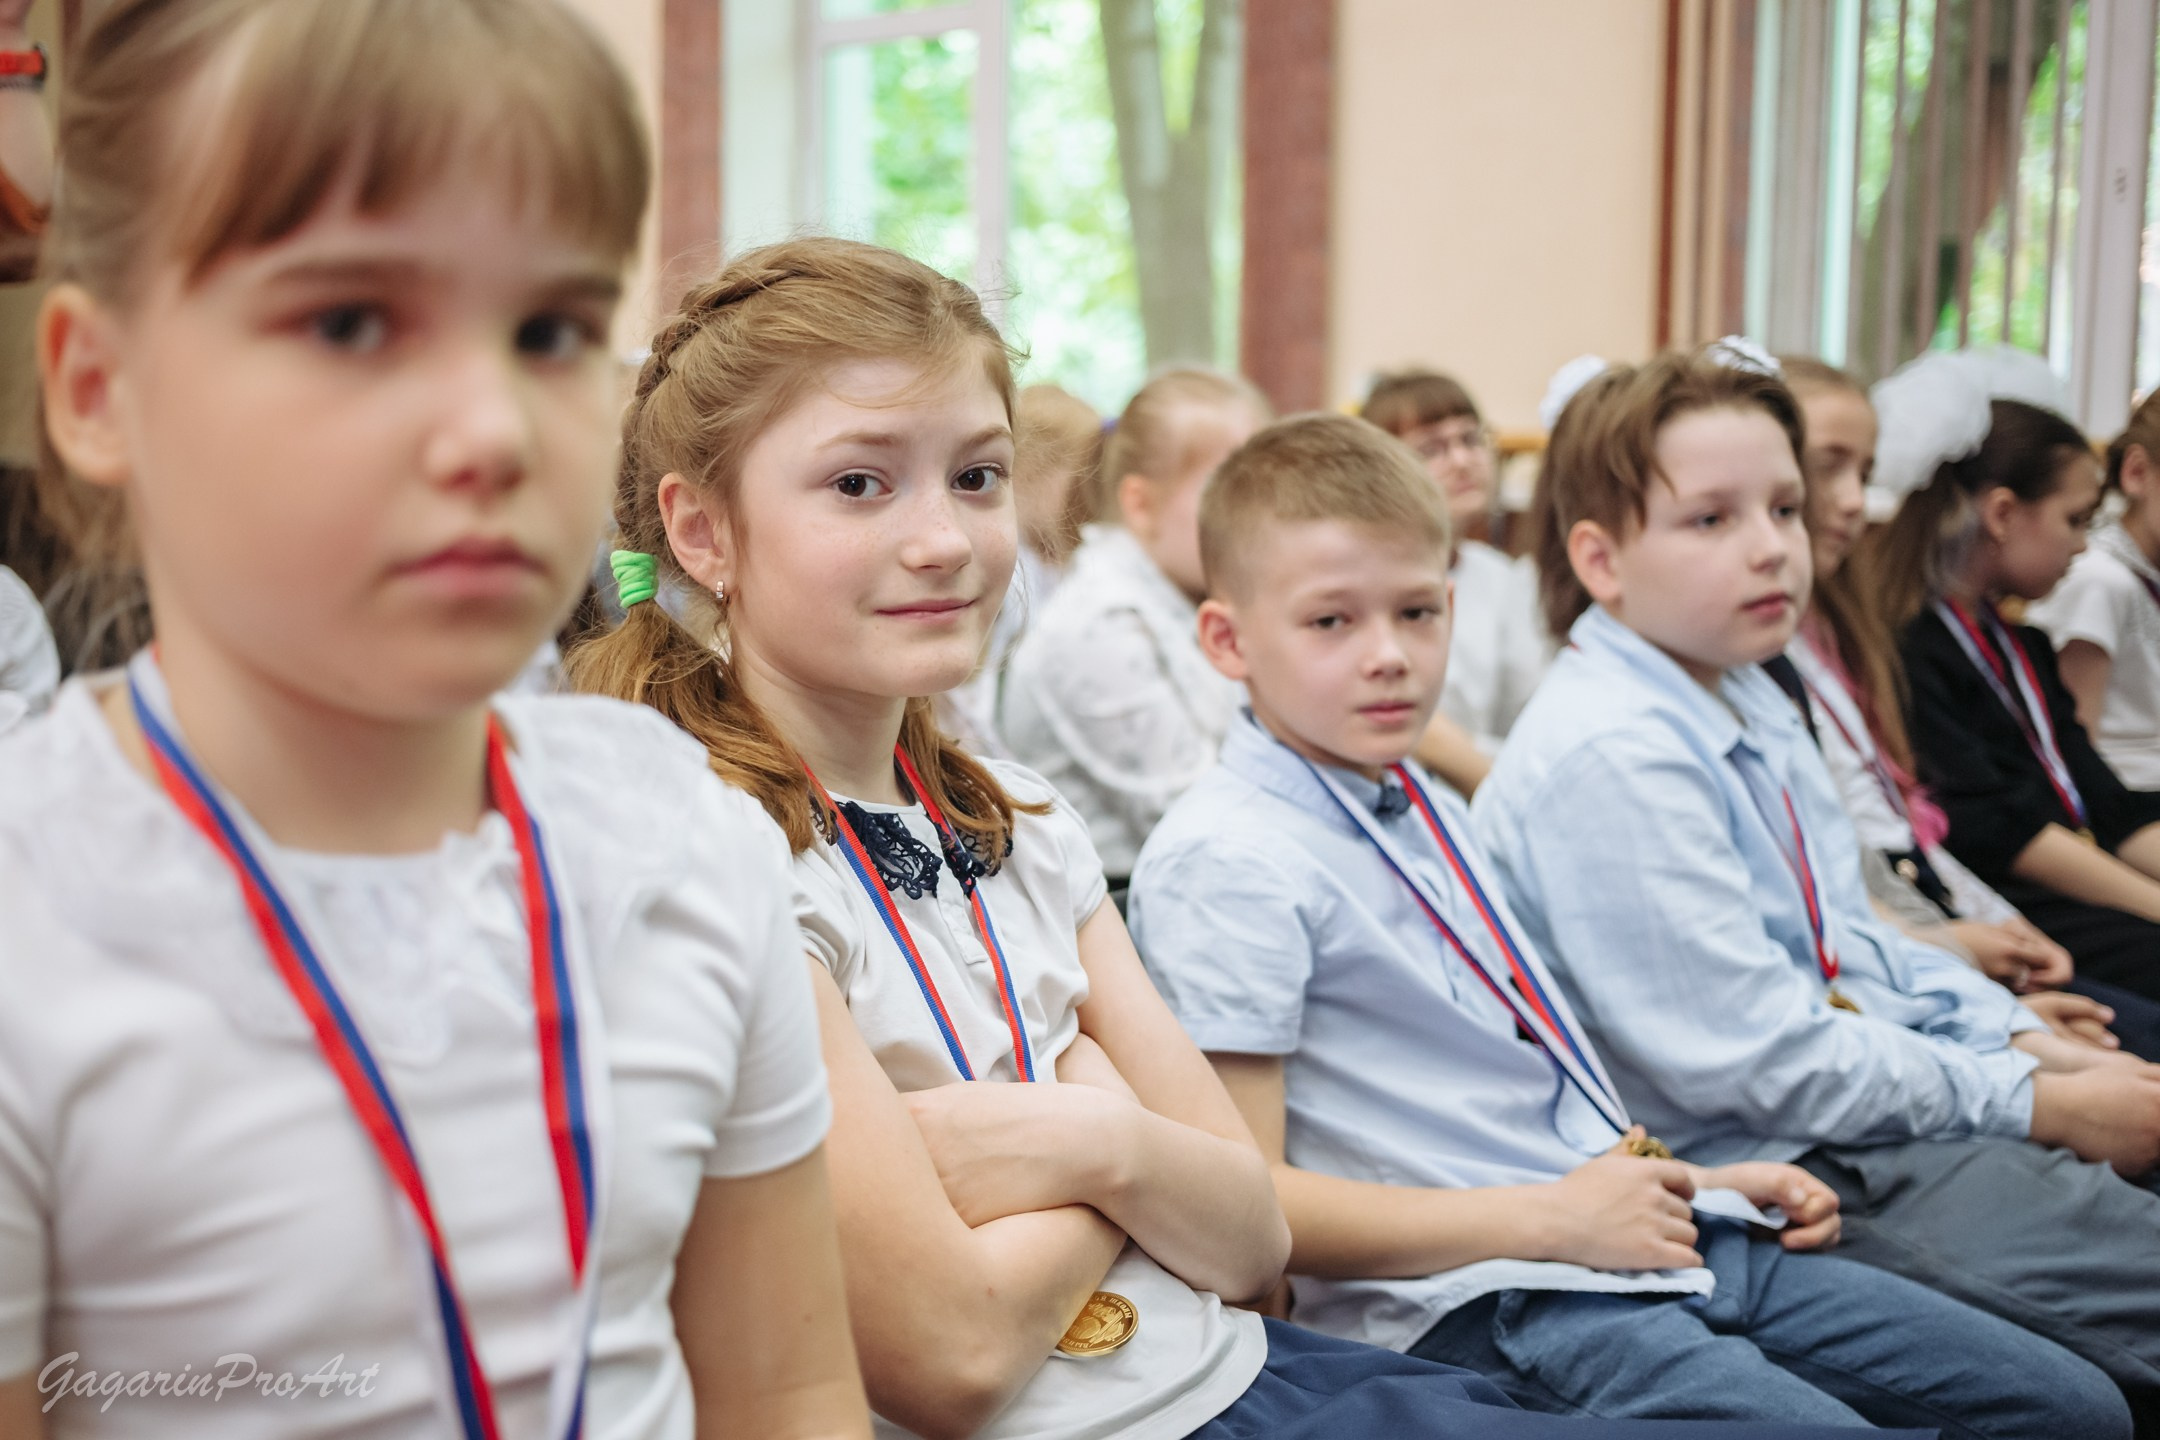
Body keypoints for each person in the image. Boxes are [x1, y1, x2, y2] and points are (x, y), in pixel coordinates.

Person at [573, 237, 1885, 1440]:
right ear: (702, 531)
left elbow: (1254, 1237)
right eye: (860, 483)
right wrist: (1119, 1135)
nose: (944, 538)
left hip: (1245, 1371)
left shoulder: (1016, 819)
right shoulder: (714, 852)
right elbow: (954, 1351)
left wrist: (1088, 1143)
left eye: (977, 476)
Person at [2, 2, 869, 1435]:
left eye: (551, 328)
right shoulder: (43, 914)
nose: (489, 430)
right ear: (100, 391)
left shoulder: (680, 848)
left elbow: (787, 1389)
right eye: (351, 322)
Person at [1125, 411, 2123, 1435]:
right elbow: (1256, 1207)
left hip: (1624, 1225)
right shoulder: (1227, 861)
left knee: (2070, 1407)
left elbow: (1513, 1090)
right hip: (1483, 1291)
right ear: (1226, 639)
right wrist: (1557, 1216)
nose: (1389, 656)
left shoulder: (1419, 796)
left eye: (1418, 613)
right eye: (1332, 622)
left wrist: (1690, 1180)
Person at [1470, 342, 2160, 1430]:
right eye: (1714, 520)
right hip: (1781, 1170)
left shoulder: (1738, 684)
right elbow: (1760, 1062)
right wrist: (2032, 1101)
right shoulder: (1615, 752)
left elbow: (1841, 938)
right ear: (1601, 560)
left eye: (1784, 510)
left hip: (1850, 1114)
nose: (1774, 550)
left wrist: (2018, 1040)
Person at [1778, 358, 2153, 1055]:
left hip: (1945, 913)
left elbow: (2099, 797)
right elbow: (1985, 829)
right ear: (2002, 514)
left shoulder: (2020, 643)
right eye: (2075, 520)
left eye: (1864, 474)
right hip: (1944, 916)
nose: (1858, 503)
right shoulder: (1909, 645)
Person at [1000, 367, 1267, 883]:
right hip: (1128, 912)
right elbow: (1201, 823)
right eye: (1234, 490)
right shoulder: (1097, 624)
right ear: (1142, 504)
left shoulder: (1185, 598)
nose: (1260, 516)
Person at [1361, 368, 1547, 795]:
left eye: (1470, 439)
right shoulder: (1367, 585)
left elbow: (1531, 712)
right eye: (1432, 449)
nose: (1463, 461)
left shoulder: (1503, 577)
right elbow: (1419, 731)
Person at [941, 383, 1101, 757]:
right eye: (1079, 479)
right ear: (1034, 473)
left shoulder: (1066, 566)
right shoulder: (1005, 576)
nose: (1088, 495)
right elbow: (973, 702)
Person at [2028, 387, 2160, 788]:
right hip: (2126, 807)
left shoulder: (2145, 570)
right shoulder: (2099, 580)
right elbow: (2075, 757)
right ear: (2137, 473)